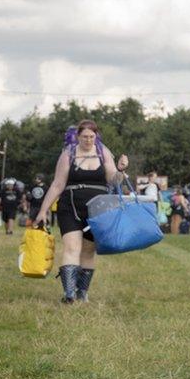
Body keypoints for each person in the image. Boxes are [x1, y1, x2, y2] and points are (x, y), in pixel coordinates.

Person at [34, 120, 130, 304]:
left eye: (92, 137)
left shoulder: (103, 152)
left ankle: (82, 292)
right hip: (70, 206)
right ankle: (69, 294)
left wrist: (121, 170)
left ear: (96, 136)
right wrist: (43, 211)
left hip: (97, 209)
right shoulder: (68, 154)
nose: (88, 140)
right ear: (78, 137)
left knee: (88, 251)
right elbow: (57, 184)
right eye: (84, 136)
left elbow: (113, 180)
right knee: (71, 247)